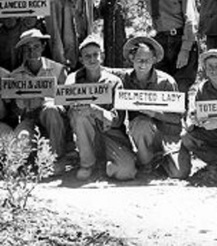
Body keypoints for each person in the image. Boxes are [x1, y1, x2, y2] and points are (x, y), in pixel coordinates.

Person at [118, 0, 199, 93]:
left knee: (181, 88)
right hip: (160, 40)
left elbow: (191, 19)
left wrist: (185, 49)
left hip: (181, 39)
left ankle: (181, 117)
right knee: (162, 86)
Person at [66, 34, 136, 181]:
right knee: (79, 113)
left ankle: (106, 164)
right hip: (88, 134)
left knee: (126, 172)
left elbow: (118, 119)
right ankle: (87, 164)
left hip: (111, 133)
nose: (92, 59)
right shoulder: (75, 80)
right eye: (87, 56)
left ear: (102, 57)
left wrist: (96, 110)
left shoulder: (114, 81)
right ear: (81, 59)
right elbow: (66, 104)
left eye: (95, 55)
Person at [122, 36, 190, 179]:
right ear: (131, 58)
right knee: (141, 123)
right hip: (143, 131)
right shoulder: (124, 79)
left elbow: (178, 116)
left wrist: (154, 113)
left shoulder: (166, 82)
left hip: (168, 134)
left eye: (147, 60)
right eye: (139, 59)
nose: (143, 64)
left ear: (154, 59)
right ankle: (146, 162)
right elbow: (102, 70)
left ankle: (161, 159)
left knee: (179, 173)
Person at [10, 29, 67, 173]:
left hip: (52, 115)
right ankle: (24, 165)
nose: (32, 51)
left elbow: (68, 100)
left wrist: (49, 100)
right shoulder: (15, 76)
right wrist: (20, 104)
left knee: (51, 110)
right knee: (21, 138)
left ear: (43, 46)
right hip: (29, 117)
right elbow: (12, 109)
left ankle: (56, 159)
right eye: (27, 48)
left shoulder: (57, 70)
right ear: (22, 51)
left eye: (35, 46)